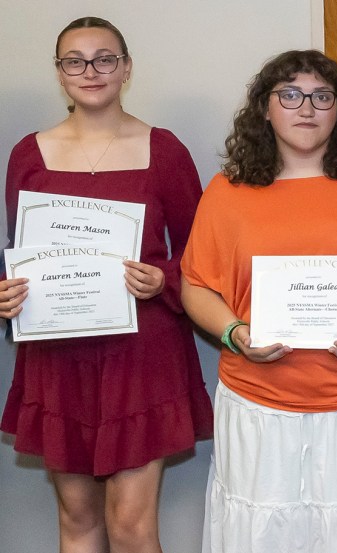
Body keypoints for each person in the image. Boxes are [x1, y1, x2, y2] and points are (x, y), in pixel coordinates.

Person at [179, 50, 337, 553]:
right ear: (265, 108)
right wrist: (236, 335)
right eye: (290, 94)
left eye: (322, 96)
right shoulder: (228, 192)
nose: (307, 107)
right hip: (263, 406)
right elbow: (196, 285)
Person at [0, 16, 212, 553]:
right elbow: (19, 253)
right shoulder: (28, 154)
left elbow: (202, 253)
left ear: (126, 69)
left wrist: (162, 276)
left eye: (105, 58)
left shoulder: (164, 149)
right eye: (75, 60)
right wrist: (8, 292)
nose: (90, 70)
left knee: (133, 526)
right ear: (60, 73)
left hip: (141, 355)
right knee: (76, 520)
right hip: (58, 353)